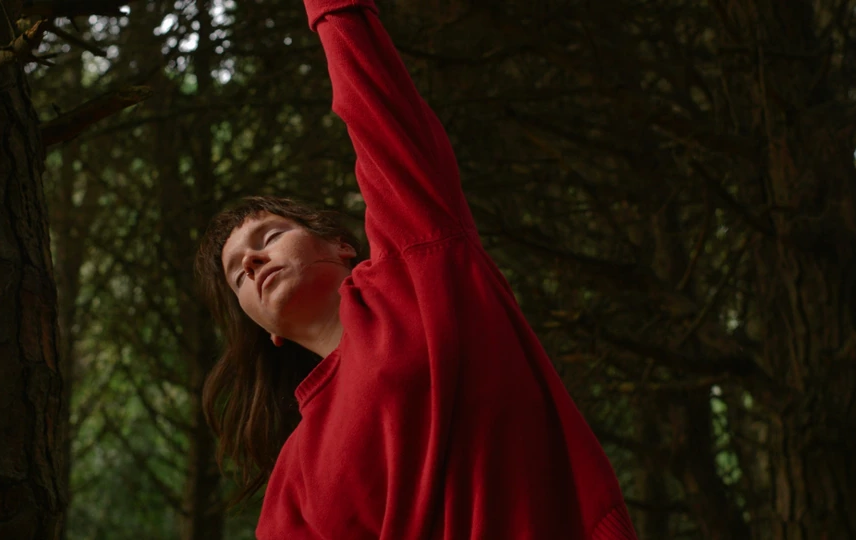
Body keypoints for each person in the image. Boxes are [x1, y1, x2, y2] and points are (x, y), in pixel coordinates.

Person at [195, 1, 638, 538]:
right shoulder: (293, 478)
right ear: (265, 330)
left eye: (269, 237)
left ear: (341, 246)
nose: (255, 260)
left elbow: (379, 118)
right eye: (239, 273)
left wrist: (332, 11)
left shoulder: (421, 272)